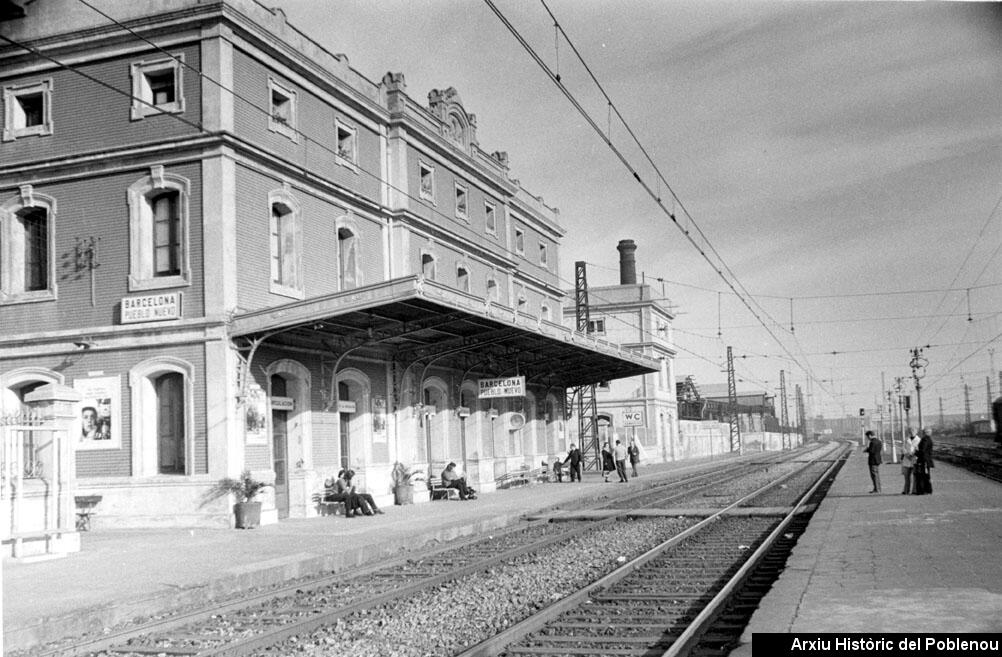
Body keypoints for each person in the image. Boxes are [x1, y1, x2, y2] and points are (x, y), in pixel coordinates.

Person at [914, 428, 934, 495]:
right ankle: (928, 490)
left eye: (923, 432)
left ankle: (922, 490)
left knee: (921, 476)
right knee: (926, 475)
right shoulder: (929, 439)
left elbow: (923, 450)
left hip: (923, 460)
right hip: (927, 460)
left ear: (925, 432)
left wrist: (916, 452)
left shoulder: (925, 439)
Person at [900, 428, 919, 495]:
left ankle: (914, 490)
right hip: (906, 459)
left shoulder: (919, 440)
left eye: (913, 431)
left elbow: (918, 449)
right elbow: (902, 448)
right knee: (906, 476)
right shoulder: (906, 439)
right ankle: (906, 490)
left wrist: (913, 454)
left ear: (916, 432)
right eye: (910, 431)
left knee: (915, 476)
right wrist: (907, 454)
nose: (911, 432)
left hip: (914, 459)